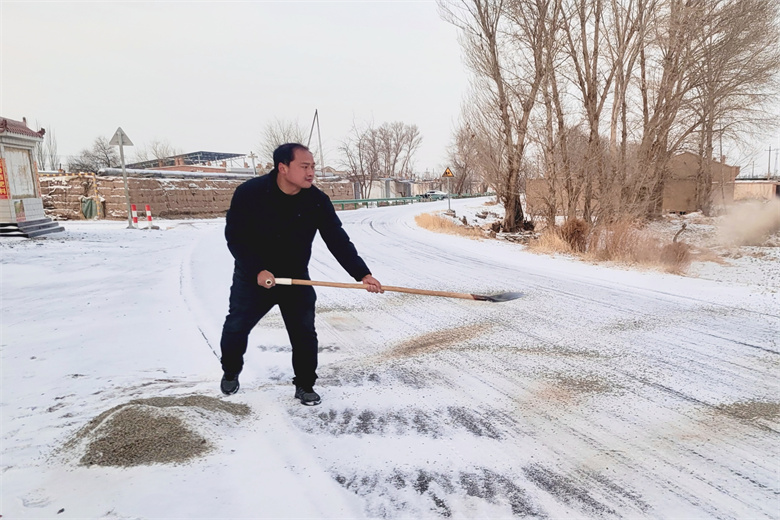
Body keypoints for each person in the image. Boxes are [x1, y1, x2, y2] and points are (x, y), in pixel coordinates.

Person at [219, 143, 382, 405]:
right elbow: (235, 237)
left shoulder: (316, 200)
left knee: (304, 333)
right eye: (304, 166)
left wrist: (362, 274)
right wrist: (257, 269)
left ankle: (305, 385)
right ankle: (230, 370)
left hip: (296, 277)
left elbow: (337, 239)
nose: (311, 172)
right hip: (253, 277)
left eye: (313, 166)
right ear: (283, 168)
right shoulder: (250, 193)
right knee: (236, 327)